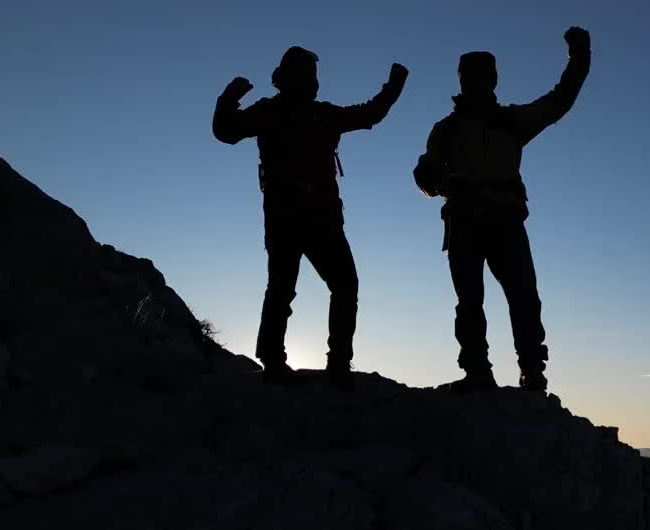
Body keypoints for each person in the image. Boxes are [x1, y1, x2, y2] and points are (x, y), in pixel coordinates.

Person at [213, 47, 408, 387]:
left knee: (330, 286)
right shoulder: (273, 112)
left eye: (310, 74)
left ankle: (332, 363)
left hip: (317, 219)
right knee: (289, 288)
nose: (309, 80)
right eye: (304, 73)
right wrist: (228, 98)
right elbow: (226, 131)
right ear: (287, 77)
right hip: (293, 218)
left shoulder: (317, 114)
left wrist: (393, 87)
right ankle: (283, 361)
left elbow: (369, 114)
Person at [414, 27, 591, 393]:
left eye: (481, 76)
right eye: (468, 76)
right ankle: (478, 370)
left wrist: (578, 57)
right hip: (463, 220)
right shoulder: (446, 129)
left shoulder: (511, 121)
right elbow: (425, 172)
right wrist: (438, 183)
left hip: (505, 219)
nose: (474, 83)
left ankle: (531, 370)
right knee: (471, 301)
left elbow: (560, 100)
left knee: (524, 296)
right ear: (461, 81)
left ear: (492, 79)